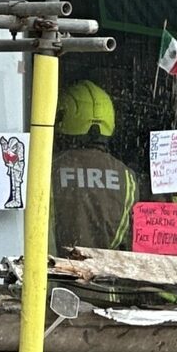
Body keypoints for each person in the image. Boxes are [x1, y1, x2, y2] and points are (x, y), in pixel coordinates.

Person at [52, 80, 141, 253]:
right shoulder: (127, 177)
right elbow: (128, 236)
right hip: (106, 275)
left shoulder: (49, 168)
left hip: (54, 273)